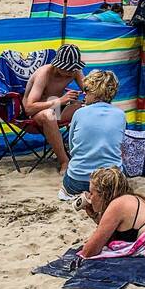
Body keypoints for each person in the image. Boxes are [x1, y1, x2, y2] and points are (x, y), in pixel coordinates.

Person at [61, 70, 127, 198]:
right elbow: (120, 147)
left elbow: (72, 146)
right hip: (111, 182)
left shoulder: (79, 113)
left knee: (70, 179)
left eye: (86, 91)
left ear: (96, 93)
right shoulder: (121, 115)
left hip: (78, 180)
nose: (84, 95)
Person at [23, 44, 88, 173]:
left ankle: (86, 155)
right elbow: (28, 108)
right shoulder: (44, 74)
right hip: (36, 113)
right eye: (67, 69)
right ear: (57, 65)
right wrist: (60, 100)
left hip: (57, 109)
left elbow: (89, 90)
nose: (70, 73)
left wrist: (88, 98)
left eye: (72, 70)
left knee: (86, 108)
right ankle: (64, 161)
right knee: (48, 115)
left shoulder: (74, 70)